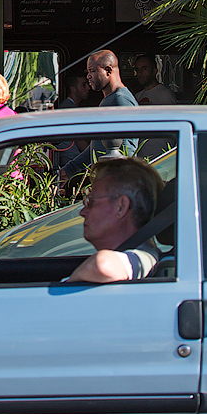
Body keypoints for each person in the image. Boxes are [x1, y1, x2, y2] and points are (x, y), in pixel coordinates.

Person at [66, 156, 164, 283]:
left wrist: (64, 287)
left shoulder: (142, 257)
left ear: (121, 207)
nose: (82, 212)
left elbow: (102, 265)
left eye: (91, 202)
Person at [59, 50, 137, 183]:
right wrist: (70, 169)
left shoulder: (121, 100)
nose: (88, 77)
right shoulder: (109, 100)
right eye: (88, 72)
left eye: (92, 71)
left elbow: (127, 147)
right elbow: (98, 145)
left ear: (108, 71)